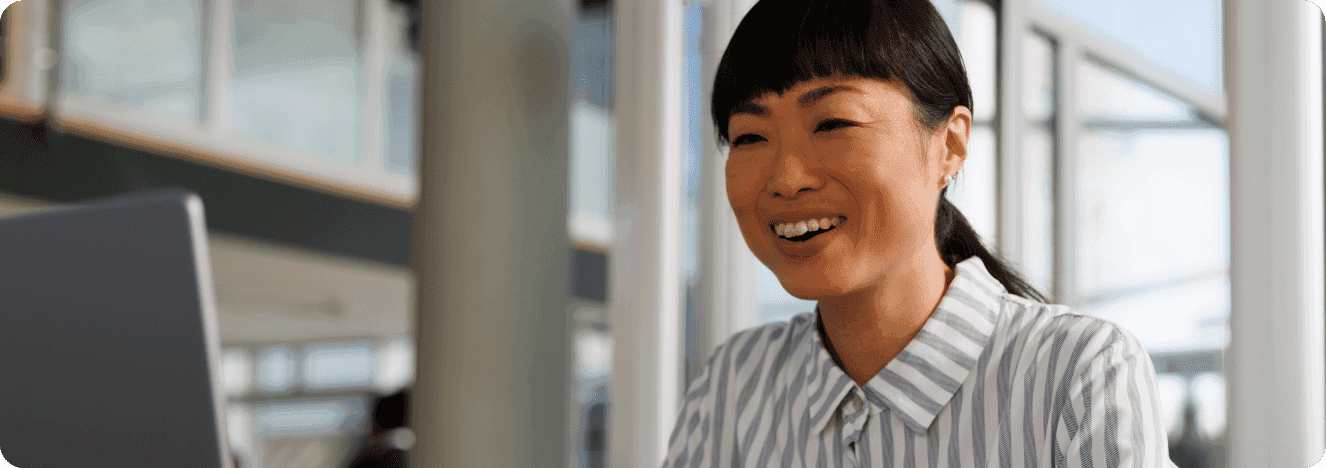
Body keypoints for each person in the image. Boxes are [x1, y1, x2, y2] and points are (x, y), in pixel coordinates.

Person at [663, 0, 1175, 466]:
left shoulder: (1077, 376)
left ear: (949, 145)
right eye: (750, 136)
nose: (787, 179)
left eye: (832, 123)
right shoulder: (733, 385)